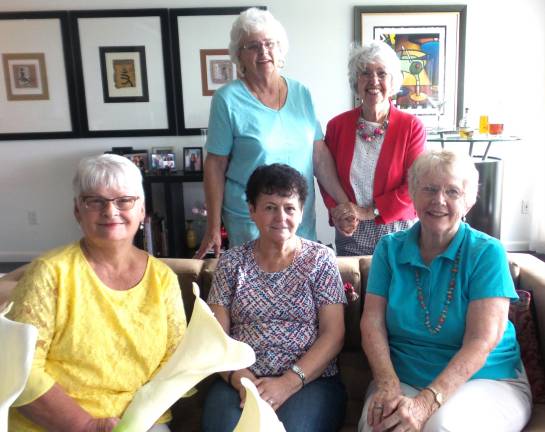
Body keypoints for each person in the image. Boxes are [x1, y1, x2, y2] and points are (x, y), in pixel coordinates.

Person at [7, 154, 186, 432]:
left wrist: (132, 422)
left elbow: (177, 363)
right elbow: (20, 368)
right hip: (57, 424)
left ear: (142, 211)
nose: (110, 211)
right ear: (78, 211)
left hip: (140, 421)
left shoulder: (163, 279)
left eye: (124, 200)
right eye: (95, 201)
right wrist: (87, 425)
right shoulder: (49, 273)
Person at [358, 149, 531, 432]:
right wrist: (388, 385)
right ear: (413, 195)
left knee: (443, 427)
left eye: (452, 191)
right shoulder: (389, 249)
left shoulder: (486, 252)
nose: (439, 200)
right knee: (381, 425)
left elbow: (481, 341)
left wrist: (426, 403)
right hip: (403, 377)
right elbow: (372, 323)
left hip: (485, 379)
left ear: (468, 201)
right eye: (429, 189)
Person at [202, 163, 347, 431]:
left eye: (289, 208)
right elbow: (215, 336)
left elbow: (334, 334)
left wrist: (288, 382)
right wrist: (241, 381)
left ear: (302, 213)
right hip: (240, 381)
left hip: (309, 382)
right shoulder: (231, 262)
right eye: (269, 207)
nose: (280, 217)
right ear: (252, 211)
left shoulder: (320, 260)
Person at [195, 7, 348, 258]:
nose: (263, 51)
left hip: (297, 216)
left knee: (300, 285)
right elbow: (215, 165)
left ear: (281, 49)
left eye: (269, 44)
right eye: (252, 46)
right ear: (239, 56)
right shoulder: (227, 99)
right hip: (251, 219)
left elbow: (318, 154)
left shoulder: (302, 93)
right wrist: (212, 226)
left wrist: (344, 203)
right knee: (256, 289)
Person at [319, 41, 426, 256]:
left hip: (398, 231)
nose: (373, 81)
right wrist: (338, 212)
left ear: (393, 81)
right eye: (365, 73)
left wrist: (369, 211)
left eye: (381, 73)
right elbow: (326, 176)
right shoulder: (337, 126)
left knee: (398, 289)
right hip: (352, 230)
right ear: (355, 81)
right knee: (354, 287)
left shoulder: (411, 127)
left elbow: (415, 185)